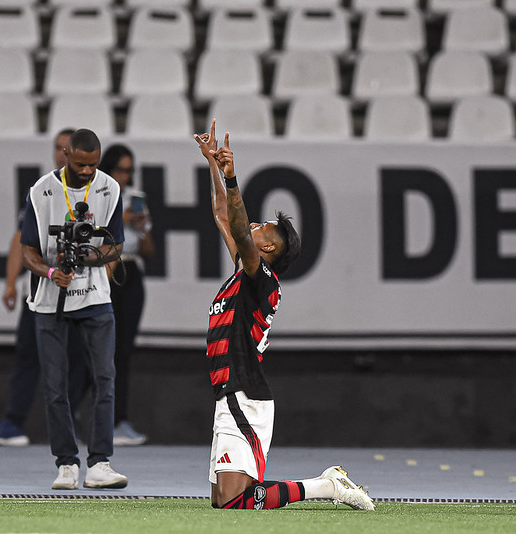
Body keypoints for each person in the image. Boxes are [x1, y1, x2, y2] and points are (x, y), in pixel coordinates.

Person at [194, 121, 374, 511]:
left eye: (261, 227)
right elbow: (223, 214)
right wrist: (212, 163)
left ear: (269, 245)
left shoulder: (263, 280)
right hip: (231, 393)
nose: (253, 226)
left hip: (244, 392)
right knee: (221, 501)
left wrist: (233, 177)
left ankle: (326, 486)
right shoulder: (245, 273)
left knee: (231, 502)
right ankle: (324, 485)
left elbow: (239, 227)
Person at [21, 128, 127, 490]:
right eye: (81, 164)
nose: (87, 171)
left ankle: (99, 463)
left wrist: (91, 257)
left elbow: (117, 246)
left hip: (96, 298)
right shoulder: (41, 191)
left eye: (93, 165)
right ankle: (66, 463)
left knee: (105, 379)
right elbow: (28, 253)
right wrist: (52, 271)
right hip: (49, 301)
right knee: (55, 385)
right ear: (65, 154)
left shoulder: (110, 188)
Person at [0, 128, 92, 447]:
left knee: (79, 357)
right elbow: (21, 239)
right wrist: (9, 283)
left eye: (67, 149)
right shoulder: (40, 191)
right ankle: (12, 422)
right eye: (58, 149)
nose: (62, 154)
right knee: (28, 354)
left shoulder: (96, 190)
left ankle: (67, 422)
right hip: (42, 285)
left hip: (80, 287)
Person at [98, 144, 153, 447]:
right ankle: (96, 418)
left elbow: (150, 252)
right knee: (99, 348)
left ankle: (118, 420)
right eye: (120, 169)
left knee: (123, 351)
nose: (125, 176)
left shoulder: (135, 199)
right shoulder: (100, 195)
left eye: (129, 170)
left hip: (130, 271)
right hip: (104, 270)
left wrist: (142, 229)